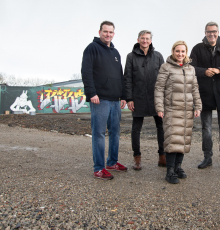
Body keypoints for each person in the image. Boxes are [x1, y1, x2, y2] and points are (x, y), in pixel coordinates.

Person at [81, 21, 128, 180]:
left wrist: (123, 96)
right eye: (105, 31)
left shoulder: (115, 53)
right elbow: (86, 72)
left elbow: (120, 76)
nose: (108, 34)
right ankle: (99, 168)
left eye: (111, 32)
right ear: (100, 31)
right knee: (99, 133)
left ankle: (112, 162)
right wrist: (91, 93)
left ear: (114, 34)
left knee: (115, 132)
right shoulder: (91, 48)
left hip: (115, 100)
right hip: (100, 99)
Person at [190, 22, 220, 169]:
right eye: (209, 32)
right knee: (206, 128)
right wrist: (204, 71)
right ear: (205, 33)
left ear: (218, 32)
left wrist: (219, 70)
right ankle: (207, 157)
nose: (212, 34)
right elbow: (190, 67)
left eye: (214, 31)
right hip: (204, 93)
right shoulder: (197, 49)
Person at [154, 41, 202, 184]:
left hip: (187, 110)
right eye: (177, 51)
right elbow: (159, 88)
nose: (180, 54)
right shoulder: (166, 67)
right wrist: (160, 108)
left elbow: (195, 89)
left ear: (186, 53)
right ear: (173, 52)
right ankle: (169, 171)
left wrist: (198, 105)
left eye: (183, 51)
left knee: (183, 140)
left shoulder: (191, 69)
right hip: (172, 109)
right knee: (172, 140)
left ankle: (178, 167)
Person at [124, 30, 166, 170]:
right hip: (138, 98)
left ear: (151, 40)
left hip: (156, 98)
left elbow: (164, 78)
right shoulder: (131, 57)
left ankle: (162, 156)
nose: (145, 41)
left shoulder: (158, 56)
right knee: (136, 129)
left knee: (161, 127)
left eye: (147, 38)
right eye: (142, 38)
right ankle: (137, 159)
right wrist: (129, 98)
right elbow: (128, 79)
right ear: (138, 40)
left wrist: (164, 97)